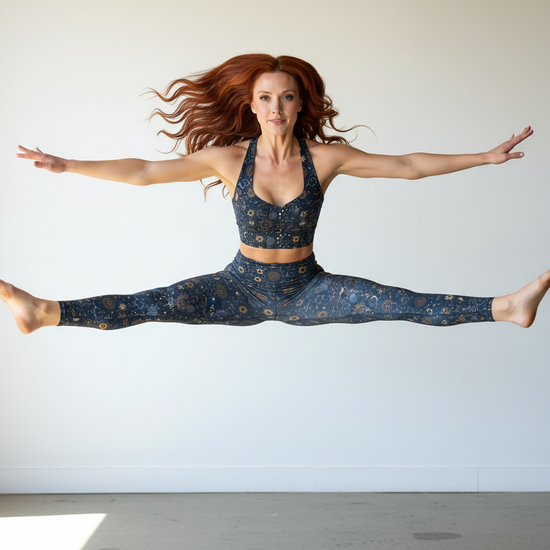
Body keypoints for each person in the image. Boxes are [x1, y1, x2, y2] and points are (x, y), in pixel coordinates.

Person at [1, 54, 548, 334]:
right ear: (252, 104)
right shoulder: (228, 159)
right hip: (237, 286)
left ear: (299, 104)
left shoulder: (325, 158)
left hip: (309, 288)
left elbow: (406, 165)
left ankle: (506, 307)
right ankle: (43, 311)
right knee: (155, 303)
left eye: (287, 98)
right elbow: (145, 170)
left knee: (395, 301)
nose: (276, 108)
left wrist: (482, 156)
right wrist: (67, 164)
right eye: (266, 98)